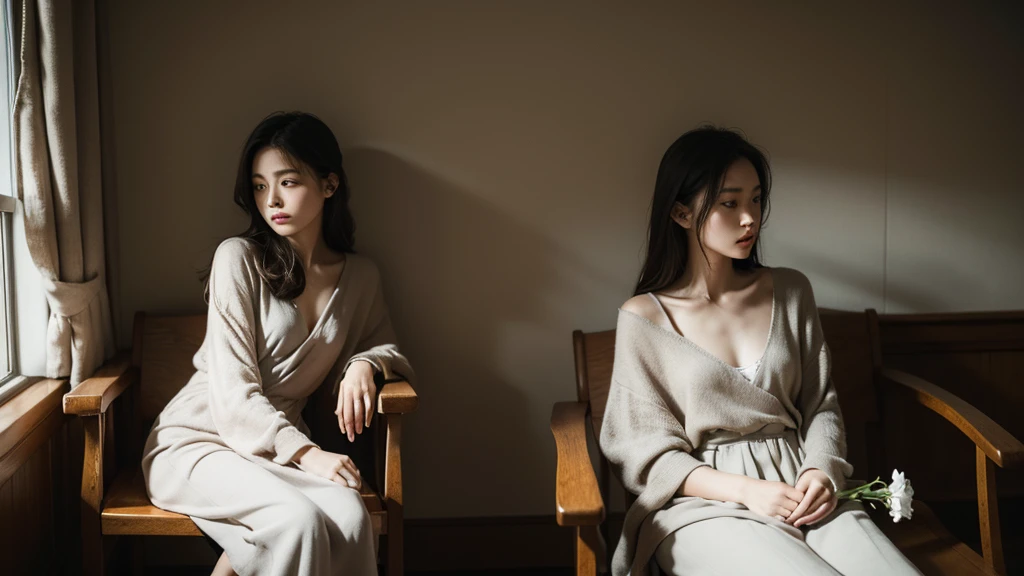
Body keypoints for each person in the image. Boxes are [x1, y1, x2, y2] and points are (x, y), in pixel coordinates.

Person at [599, 126, 920, 575]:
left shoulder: (790, 290)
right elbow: (644, 451)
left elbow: (821, 405)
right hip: (704, 503)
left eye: (755, 199)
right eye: (729, 203)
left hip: (801, 487)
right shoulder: (644, 318)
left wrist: (821, 472)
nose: (750, 218)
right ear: (680, 212)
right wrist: (747, 490)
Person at [142, 112, 413, 576]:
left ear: (329, 185)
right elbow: (231, 398)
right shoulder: (237, 259)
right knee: (297, 523)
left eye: (287, 182)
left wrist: (363, 365)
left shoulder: (361, 277)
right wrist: (310, 454)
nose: (273, 200)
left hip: (274, 451)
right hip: (200, 441)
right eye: (260, 186)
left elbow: (387, 347)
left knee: (351, 518)